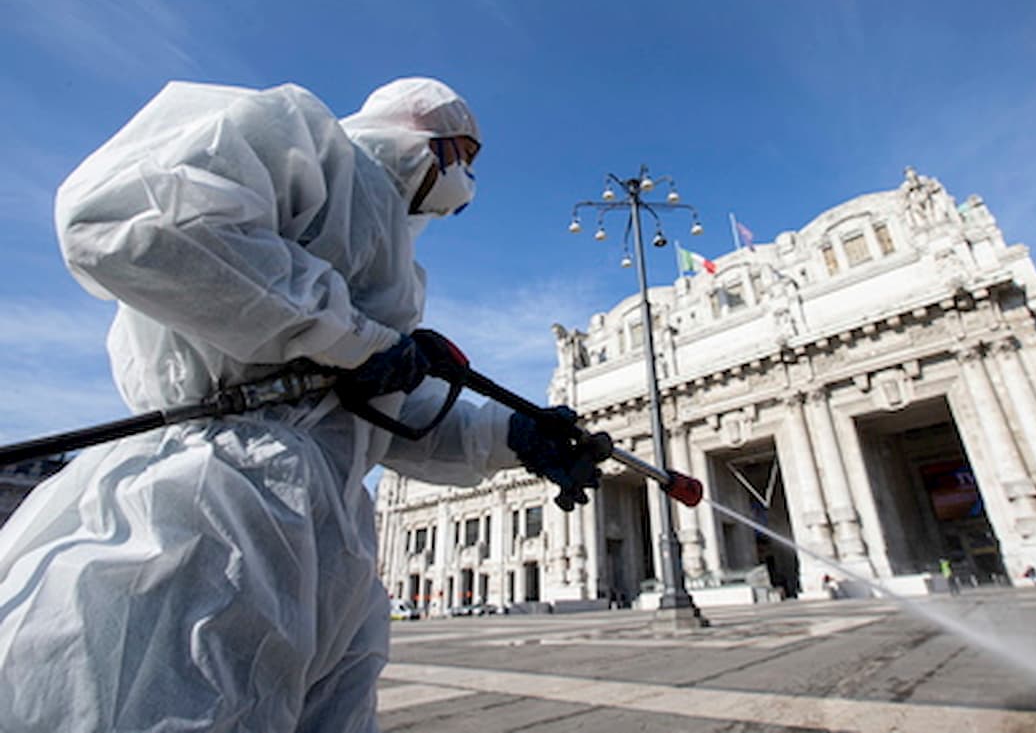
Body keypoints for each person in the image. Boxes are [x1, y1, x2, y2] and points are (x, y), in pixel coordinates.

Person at [0, 78, 602, 732]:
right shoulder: (306, 143)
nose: (464, 180)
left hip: (332, 541)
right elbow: (126, 217)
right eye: (459, 154)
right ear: (418, 131)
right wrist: (354, 337)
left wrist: (509, 434)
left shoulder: (397, 259)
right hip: (221, 496)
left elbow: (371, 412)